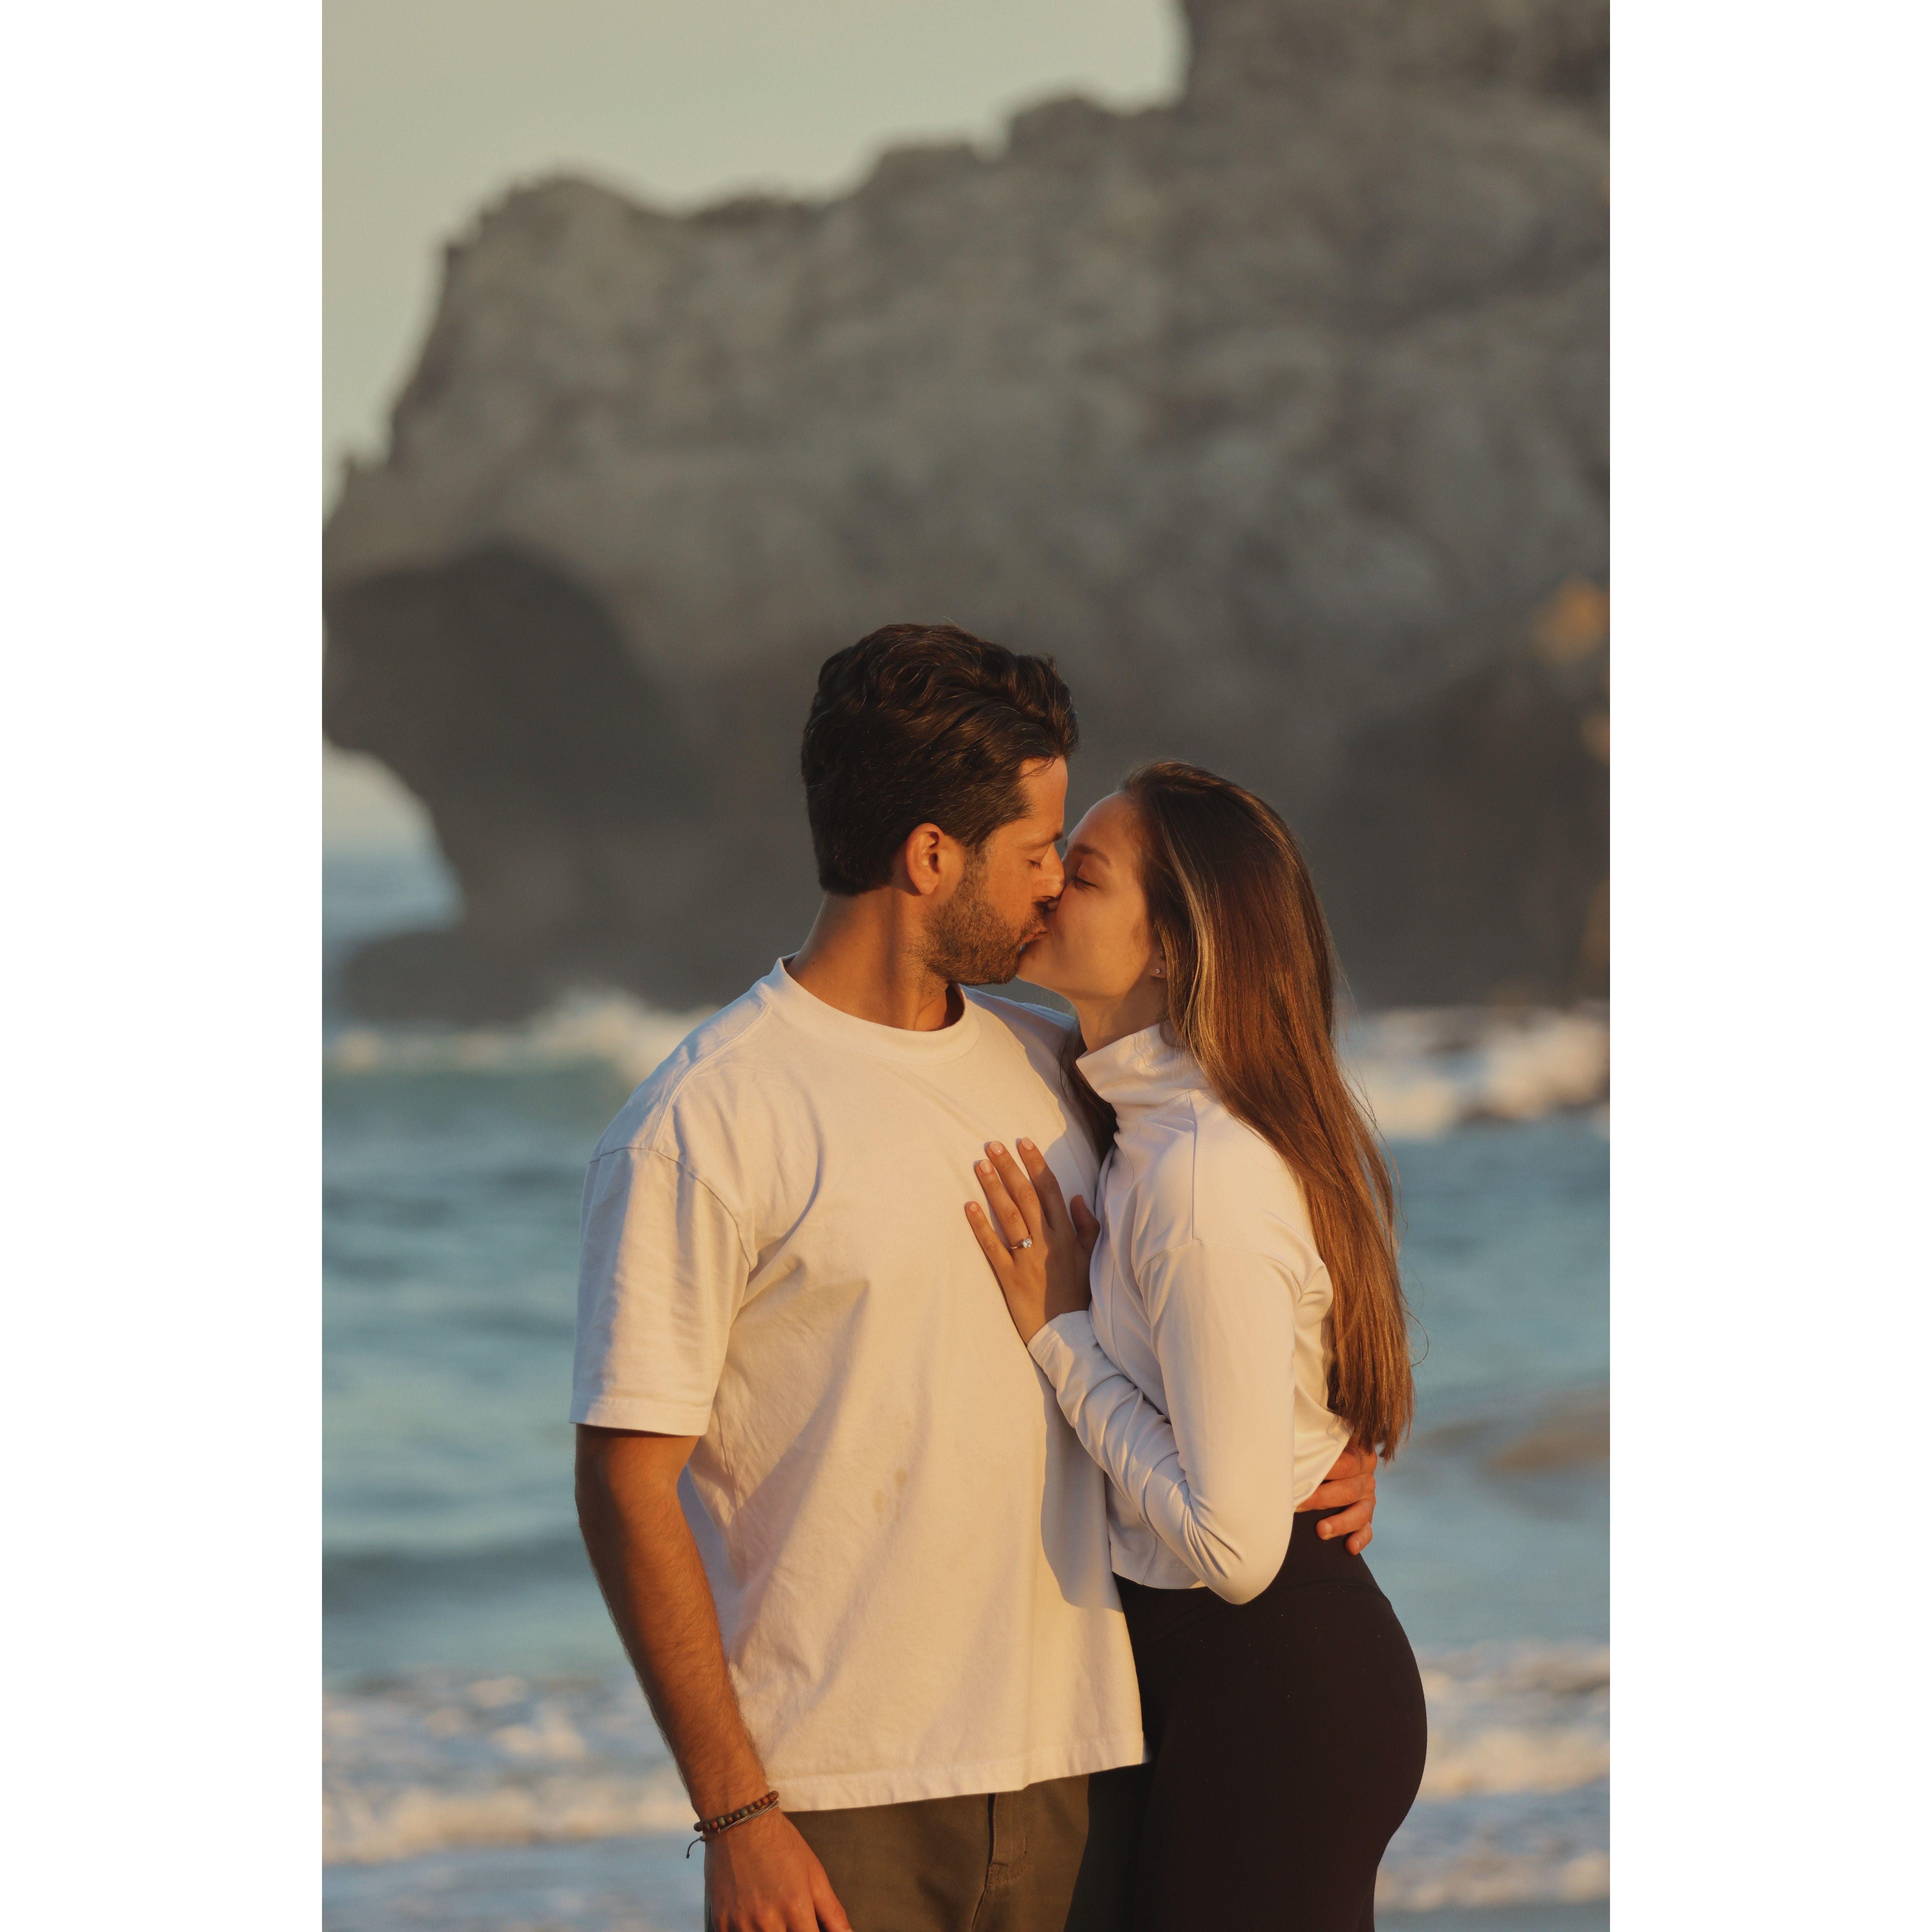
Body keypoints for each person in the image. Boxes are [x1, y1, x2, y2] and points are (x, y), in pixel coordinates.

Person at [572, 627, 1381, 1932]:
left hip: (1094, 1767)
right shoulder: (706, 1123)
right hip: (841, 1801)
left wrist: (1325, 1444)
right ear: (931, 857)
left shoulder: (1066, 1065)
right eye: (1035, 853)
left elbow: (1238, 1260)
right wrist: (736, 1815)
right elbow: (624, 1480)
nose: (1056, 886)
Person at [966, 760, 1429, 1932]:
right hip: (1249, 1681)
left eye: (1085, 874)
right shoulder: (1147, 1126)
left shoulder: (1201, 1175)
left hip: (1274, 1685)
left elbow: (1236, 1550)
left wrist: (1060, 1333)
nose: (1048, 886)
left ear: (1168, 946)